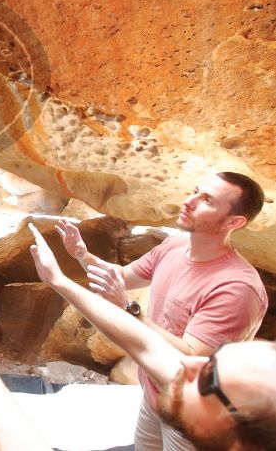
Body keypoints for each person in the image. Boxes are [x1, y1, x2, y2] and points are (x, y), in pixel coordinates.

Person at [0, 230, 276, 451]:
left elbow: (18, 444)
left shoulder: (237, 286)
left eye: (211, 377)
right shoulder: (205, 397)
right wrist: (60, 281)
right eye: (214, 358)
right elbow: (144, 345)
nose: (194, 364)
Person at [54, 172, 267, 450]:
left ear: (234, 222)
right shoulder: (174, 246)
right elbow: (121, 277)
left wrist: (129, 309)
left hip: (197, 416)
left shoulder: (236, 288)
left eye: (207, 200)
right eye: (194, 191)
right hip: (156, 396)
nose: (189, 201)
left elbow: (189, 359)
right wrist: (81, 254)